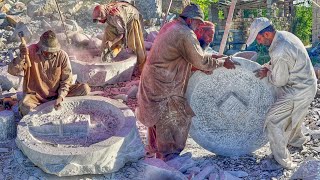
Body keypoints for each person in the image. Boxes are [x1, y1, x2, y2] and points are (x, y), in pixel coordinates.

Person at [136, 3, 237, 161]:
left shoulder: (172, 26)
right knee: (172, 116)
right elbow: (200, 61)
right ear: (190, 20)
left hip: (154, 77)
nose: (197, 27)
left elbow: (184, 56)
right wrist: (223, 63)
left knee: (158, 115)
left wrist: (210, 60)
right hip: (164, 82)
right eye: (198, 23)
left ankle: (157, 150)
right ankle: (168, 155)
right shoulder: (185, 33)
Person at [247, 17, 317, 169]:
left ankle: (283, 161)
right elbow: (280, 64)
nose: (258, 42)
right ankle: (297, 140)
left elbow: (279, 81)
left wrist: (268, 73)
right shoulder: (284, 35)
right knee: (292, 114)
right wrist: (269, 67)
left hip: (299, 89)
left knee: (273, 120)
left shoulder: (280, 50)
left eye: (258, 38)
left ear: (266, 34)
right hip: (306, 83)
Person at [8, 30, 91, 117]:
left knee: (84, 89)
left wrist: (61, 96)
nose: (49, 54)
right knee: (25, 107)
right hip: (36, 96)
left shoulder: (62, 56)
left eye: (52, 51)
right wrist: (21, 57)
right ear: (40, 47)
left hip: (57, 93)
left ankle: (59, 105)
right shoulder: (30, 51)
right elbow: (12, 71)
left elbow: (66, 80)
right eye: (46, 51)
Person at [92, 1, 146, 71]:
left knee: (135, 42)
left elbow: (122, 34)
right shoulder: (106, 11)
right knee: (108, 31)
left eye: (99, 19)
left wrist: (112, 42)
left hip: (132, 19)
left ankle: (142, 66)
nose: (99, 21)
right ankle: (106, 52)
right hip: (119, 21)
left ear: (103, 15)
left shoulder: (115, 15)